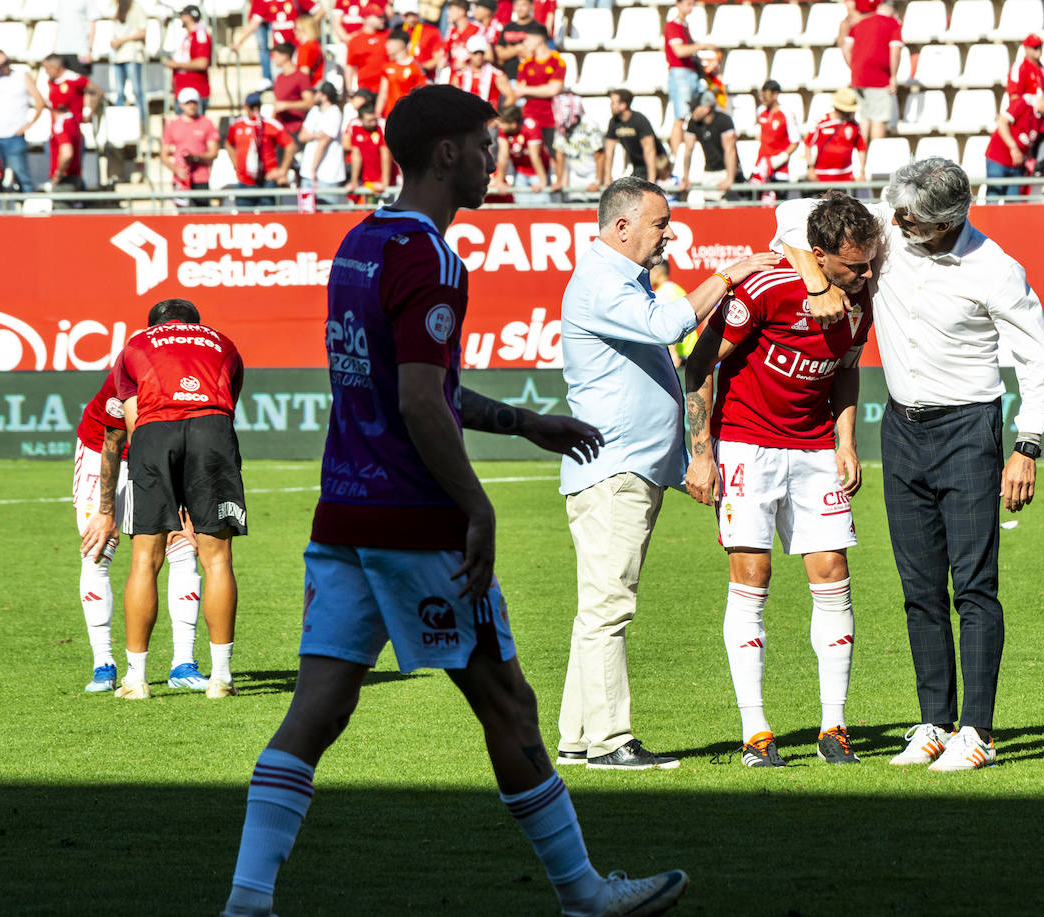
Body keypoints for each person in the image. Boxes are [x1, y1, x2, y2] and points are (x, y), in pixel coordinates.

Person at [218, 83, 690, 917]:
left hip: (344, 514)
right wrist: (478, 505)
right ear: (447, 154)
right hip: (414, 520)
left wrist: (522, 422)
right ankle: (585, 894)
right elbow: (420, 402)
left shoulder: (359, 244)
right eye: (484, 145)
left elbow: (419, 384)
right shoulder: (431, 257)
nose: (494, 159)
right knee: (507, 702)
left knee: (318, 709)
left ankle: (247, 902)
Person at [777, 158, 1044, 772]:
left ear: (947, 221)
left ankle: (977, 731)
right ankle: (933, 722)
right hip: (900, 427)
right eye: (896, 212)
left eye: (910, 218)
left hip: (969, 428)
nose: (897, 225)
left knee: (975, 586)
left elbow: (1036, 362)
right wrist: (819, 282)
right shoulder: (887, 227)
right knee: (919, 587)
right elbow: (788, 219)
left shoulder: (996, 269)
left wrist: (1026, 445)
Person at [557, 177, 778, 771]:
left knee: (598, 607)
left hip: (625, 468)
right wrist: (728, 276)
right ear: (622, 225)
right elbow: (668, 328)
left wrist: (685, 466)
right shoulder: (603, 280)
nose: (668, 233)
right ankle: (610, 741)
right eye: (660, 223)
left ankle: (580, 737)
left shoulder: (618, 280)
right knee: (608, 607)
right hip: (614, 471)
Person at [683, 192, 877, 768]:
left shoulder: (859, 299)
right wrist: (700, 453)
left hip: (816, 447)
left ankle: (835, 726)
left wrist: (846, 440)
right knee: (752, 576)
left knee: (832, 573)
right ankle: (756, 732)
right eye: (854, 265)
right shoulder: (768, 286)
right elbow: (699, 364)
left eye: (868, 263)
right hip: (747, 443)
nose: (866, 274)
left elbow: (844, 372)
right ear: (818, 256)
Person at [93, 298, 246, 701]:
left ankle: (136, 679)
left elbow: (132, 418)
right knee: (217, 559)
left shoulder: (137, 344)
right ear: (197, 324)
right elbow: (226, 409)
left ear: (154, 324)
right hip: (211, 429)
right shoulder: (223, 342)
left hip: (154, 431)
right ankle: (221, 679)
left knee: (146, 558)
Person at [74, 355, 208, 695]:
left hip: (157, 458)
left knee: (181, 548)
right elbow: (113, 442)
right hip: (101, 451)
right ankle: (103, 664)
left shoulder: (198, 374)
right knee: (97, 550)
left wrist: (184, 505)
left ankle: (183, 663)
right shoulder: (134, 366)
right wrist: (106, 511)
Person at [0, 51, 45, 192]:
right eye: (0, 64)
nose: (4, 67)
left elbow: (40, 101)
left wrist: (30, 124)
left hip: (14, 135)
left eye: (5, 63)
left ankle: (28, 206)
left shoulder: (21, 76)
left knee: (21, 174)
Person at [664, 0, 715, 179]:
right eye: (688, 4)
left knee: (690, 116)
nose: (690, 8)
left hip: (689, 73)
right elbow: (679, 51)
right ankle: (677, 160)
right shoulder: (673, 25)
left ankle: (684, 158)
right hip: (681, 73)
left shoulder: (684, 26)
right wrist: (702, 46)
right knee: (680, 117)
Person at [40, 54, 103, 196]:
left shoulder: (74, 79)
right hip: (55, 133)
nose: (45, 72)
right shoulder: (52, 82)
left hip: (70, 130)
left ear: (55, 67)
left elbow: (96, 92)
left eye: (46, 68)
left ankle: (79, 199)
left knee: (71, 170)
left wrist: (88, 111)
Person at [513, 24, 565, 188]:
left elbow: (554, 89)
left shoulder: (557, 60)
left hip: (551, 117)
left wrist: (528, 90)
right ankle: (541, 182)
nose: (525, 44)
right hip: (530, 116)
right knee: (532, 152)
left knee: (554, 151)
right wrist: (542, 89)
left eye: (527, 39)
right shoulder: (525, 64)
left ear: (538, 38)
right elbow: (519, 91)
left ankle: (558, 183)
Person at [842, 0, 901, 141]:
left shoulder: (860, 23)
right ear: (893, 12)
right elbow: (895, 50)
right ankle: (875, 156)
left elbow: (845, 49)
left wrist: (854, 67)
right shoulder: (892, 24)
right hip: (879, 77)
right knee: (878, 120)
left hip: (858, 78)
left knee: (865, 118)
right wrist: (893, 76)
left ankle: (863, 154)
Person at [226, 92, 297, 207]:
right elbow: (228, 144)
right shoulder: (237, 125)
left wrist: (282, 170)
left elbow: (291, 145)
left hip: (267, 180)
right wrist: (236, 164)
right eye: (252, 107)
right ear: (245, 107)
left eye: (257, 106)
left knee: (268, 216)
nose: (255, 110)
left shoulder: (270, 124)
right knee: (245, 220)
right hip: (245, 181)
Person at [985, 90, 1044, 197]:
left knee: (1013, 205)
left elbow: (1028, 139)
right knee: (993, 197)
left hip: (1017, 165)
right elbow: (1002, 122)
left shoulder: (1041, 116)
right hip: (999, 158)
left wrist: (1028, 160)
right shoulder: (1024, 102)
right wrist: (1013, 147)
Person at [676, 91, 741, 201]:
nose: (691, 111)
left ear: (706, 108)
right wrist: (685, 178)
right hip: (709, 172)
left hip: (726, 170)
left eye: (694, 108)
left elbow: (730, 151)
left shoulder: (724, 121)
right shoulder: (693, 123)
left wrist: (729, 178)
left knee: (729, 209)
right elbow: (688, 151)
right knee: (710, 210)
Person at [161, 87, 220, 206]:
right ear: (181, 105)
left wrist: (196, 158)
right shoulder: (173, 125)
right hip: (181, 178)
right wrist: (176, 170)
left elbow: (214, 152)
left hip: (201, 178)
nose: (191, 106)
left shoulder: (206, 123)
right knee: (182, 217)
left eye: (194, 102)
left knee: (202, 217)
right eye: (188, 103)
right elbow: (164, 154)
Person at [600, 88, 668, 187]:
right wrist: (607, 178)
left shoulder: (639, 120)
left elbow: (649, 150)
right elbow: (609, 152)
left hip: (658, 165)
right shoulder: (614, 122)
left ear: (623, 105)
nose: (610, 105)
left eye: (613, 103)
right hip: (638, 166)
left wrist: (651, 179)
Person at [806, 88, 868, 184]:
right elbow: (808, 144)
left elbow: (861, 148)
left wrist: (862, 171)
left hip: (846, 176)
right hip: (821, 176)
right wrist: (810, 168)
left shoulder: (854, 125)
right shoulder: (821, 122)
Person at [298, 81, 346, 204]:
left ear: (324, 96)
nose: (313, 95)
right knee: (306, 215)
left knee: (327, 215)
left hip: (327, 175)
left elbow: (323, 144)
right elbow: (302, 136)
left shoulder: (334, 113)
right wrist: (315, 135)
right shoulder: (314, 111)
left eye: (316, 93)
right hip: (308, 174)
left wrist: (313, 170)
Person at [751, 79, 800, 185]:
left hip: (779, 171)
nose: (762, 99)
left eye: (765, 96)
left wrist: (779, 159)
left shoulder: (787, 114)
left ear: (775, 94)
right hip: (761, 166)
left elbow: (795, 141)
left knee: (779, 201)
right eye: (761, 96)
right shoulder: (761, 111)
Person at [494, 102, 550, 191]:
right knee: (521, 204)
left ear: (514, 124)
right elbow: (503, 155)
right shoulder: (504, 130)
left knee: (541, 202)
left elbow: (535, 156)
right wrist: (499, 181)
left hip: (537, 173)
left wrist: (542, 182)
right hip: (519, 172)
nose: (500, 126)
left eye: (503, 123)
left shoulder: (531, 126)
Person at [168, 5, 212, 115]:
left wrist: (176, 65)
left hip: (194, 94)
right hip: (183, 92)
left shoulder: (200, 35)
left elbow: (202, 63)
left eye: (183, 15)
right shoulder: (190, 36)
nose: (180, 18)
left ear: (190, 17)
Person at [451, 34, 515, 108]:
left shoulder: (496, 74)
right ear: (469, 54)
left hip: (489, 116)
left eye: (481, 53)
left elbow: (511, 97)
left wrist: (499, 116)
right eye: (475, 53)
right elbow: (453, 100)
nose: (479, 57)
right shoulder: (460, 76)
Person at [376, 28, 426, 119]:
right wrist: (377, 113)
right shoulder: (388, 67)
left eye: (389, 42)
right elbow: (383, 93)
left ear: (400, 44)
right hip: (390, 116)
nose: (386, 46)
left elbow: (422, 93)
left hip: (409, 116)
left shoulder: (415, 67)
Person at [345, 101, 391, 197]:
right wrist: (354, 181)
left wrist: (385, 182)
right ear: (360, 120)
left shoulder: (382, 125)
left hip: (383, 179)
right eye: (369, 121)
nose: (373, 123)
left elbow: (385, 154)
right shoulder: (354, 125)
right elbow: (356, 155)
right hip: (365, 180)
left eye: (374, 119)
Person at [109, 0, 149, 108]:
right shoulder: (116, 8)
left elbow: (142, 32)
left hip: (133, 55)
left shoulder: (136, 7)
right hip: (119, 56)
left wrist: (122, 40)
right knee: (119, 92)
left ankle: (141, 121)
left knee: (136, 91)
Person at [270, 41, 314, 136]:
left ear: (285, 56)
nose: (273, 59)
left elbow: (309, 103)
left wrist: (287, 105)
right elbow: (277, 103)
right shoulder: (279, 78)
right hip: (279, 130)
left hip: (294, 130)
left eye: (275, 56)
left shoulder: (301, 77)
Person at [396, 0, 445, 78]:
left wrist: (417, 68)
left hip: (424, 77)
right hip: (402, 76)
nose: (411, 19)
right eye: (407, 16)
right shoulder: (399, 32)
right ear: (402, 16)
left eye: (414, 15)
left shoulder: (431, 31)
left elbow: (437, 59)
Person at [54, 0, 100, 75]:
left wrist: (89, 50)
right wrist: (54, 49)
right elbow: (59, 25)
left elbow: (93, 25)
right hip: (61, 50)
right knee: (62, 85)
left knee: (80, 83)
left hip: (81, 51)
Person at [493, 0, 535, 78]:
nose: (520, 8)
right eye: (517, 5)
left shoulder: (537, 28)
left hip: (530, 77)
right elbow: (499, 54)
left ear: (531, 6)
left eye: (523, 5)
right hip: (509, 76)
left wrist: (509, 50)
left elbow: (536, 55)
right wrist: (518, 49)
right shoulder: (508, 27)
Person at [441, 0, 480, 72]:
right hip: (453, 76)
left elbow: (484, 56)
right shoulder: (452, 31)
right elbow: (444, 54)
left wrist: (468, 66)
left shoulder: (476, 30)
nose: (448, 13)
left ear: (462, 12)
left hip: (469, 76)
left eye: (451, 10)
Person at [1007, 34, 1044, 102]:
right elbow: (1014, 96)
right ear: (1026, 48)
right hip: (1026, 110)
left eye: (1040, 46)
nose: (1039, 49)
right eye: (1035, 47)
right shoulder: (1019, 67)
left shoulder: (1043, 69)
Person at [294, 14, 324, 84]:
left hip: (310, 85)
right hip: (317, 83)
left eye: (297, 29)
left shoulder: (305, 48)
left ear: (305, 30)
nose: (294, 32)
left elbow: (304, 73)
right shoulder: (315, 44)